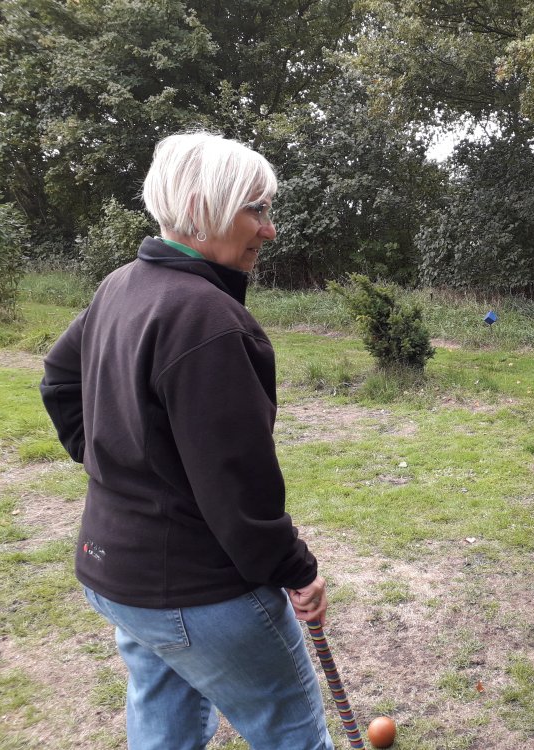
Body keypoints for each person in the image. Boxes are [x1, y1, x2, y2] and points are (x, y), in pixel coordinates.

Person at [40, 131, 336, 748]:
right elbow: (238, 483)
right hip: (198, 593)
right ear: (203, 208)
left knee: (165, 729)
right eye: (257, 210)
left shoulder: (121, 284)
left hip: (117, 577)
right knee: (292, 733)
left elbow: (59, 382)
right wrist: (296, 569)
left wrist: (122, 471)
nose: (269, 230)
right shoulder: (207, 319)